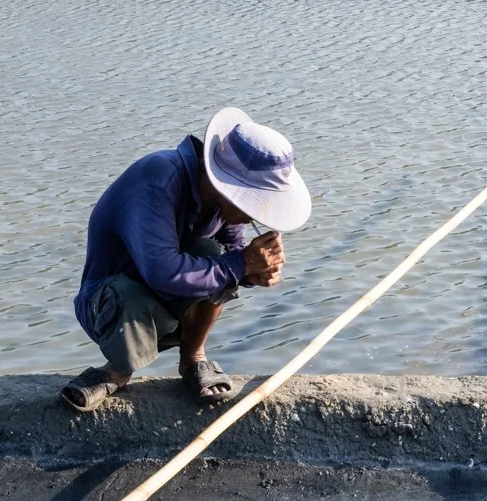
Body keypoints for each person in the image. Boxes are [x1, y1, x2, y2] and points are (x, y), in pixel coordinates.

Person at [62, 107, 310, 410]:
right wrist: (242, 264)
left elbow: (232, 258)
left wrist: (255, 272)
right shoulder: (157, 181)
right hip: (106, 303)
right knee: (142, 287)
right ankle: (117, 370)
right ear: (227, 185)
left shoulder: (221, 202)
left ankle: (193, 358)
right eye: (254, 201)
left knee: (212, 254)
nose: (254, 215)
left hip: (162, 301)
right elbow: (163, 272)